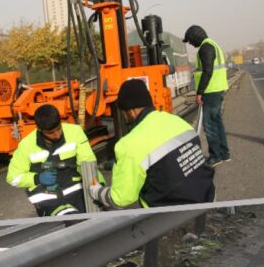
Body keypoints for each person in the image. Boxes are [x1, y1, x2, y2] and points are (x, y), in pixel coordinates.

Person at [90, 79, 215, 209]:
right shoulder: (177, 121)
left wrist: (96, 191)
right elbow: (168, 161)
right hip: (207, 195)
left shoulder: (129, 144)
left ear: (130, 110)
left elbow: (120, 199)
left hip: (173, 216)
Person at [6, 104, 97, 217]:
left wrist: (97, 186)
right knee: (72, 221)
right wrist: (37, 178)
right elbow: (13, 177)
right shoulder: (26, 145)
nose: (56, 135)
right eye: (50, 133)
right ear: (39, 130)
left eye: (59, 129)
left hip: (77, 194)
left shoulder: (75, 132)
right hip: (48, 200)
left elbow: (88, 162)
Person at [182, 24, 231, 167]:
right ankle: (224, 153)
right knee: (217, 123)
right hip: (217, 89)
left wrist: (200, 92)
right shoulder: (213, 44)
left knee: (209, 125)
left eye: (190, 40)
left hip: (210, 91)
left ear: (196, 36)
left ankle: (215, 156)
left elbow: (207, 71)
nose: (191, 44)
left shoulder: (206, 47)